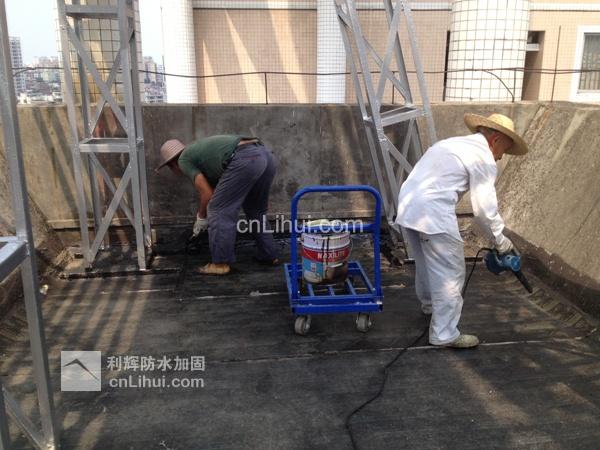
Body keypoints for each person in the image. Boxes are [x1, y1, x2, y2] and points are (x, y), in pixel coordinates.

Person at [396, 113, 528, 348]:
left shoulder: (452, 144)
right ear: (495, 139)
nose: (500, 157)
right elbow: (484, 209)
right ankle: (444, 333)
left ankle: (430, 306)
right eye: (504, 150)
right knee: (450, 271)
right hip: (432, 210)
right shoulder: (483, 158)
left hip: (408, 205)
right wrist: (500, 240)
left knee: (426, 263)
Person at [156, 135, 279, 275]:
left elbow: (207, 194)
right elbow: (216, 190)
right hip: (265, 155)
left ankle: (220, 264)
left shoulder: (184, 160)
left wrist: (201, 218)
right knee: (256, 210)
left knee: (218, 210)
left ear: (172, 164)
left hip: (246, 158)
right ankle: (269, 255)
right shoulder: (201, 154)